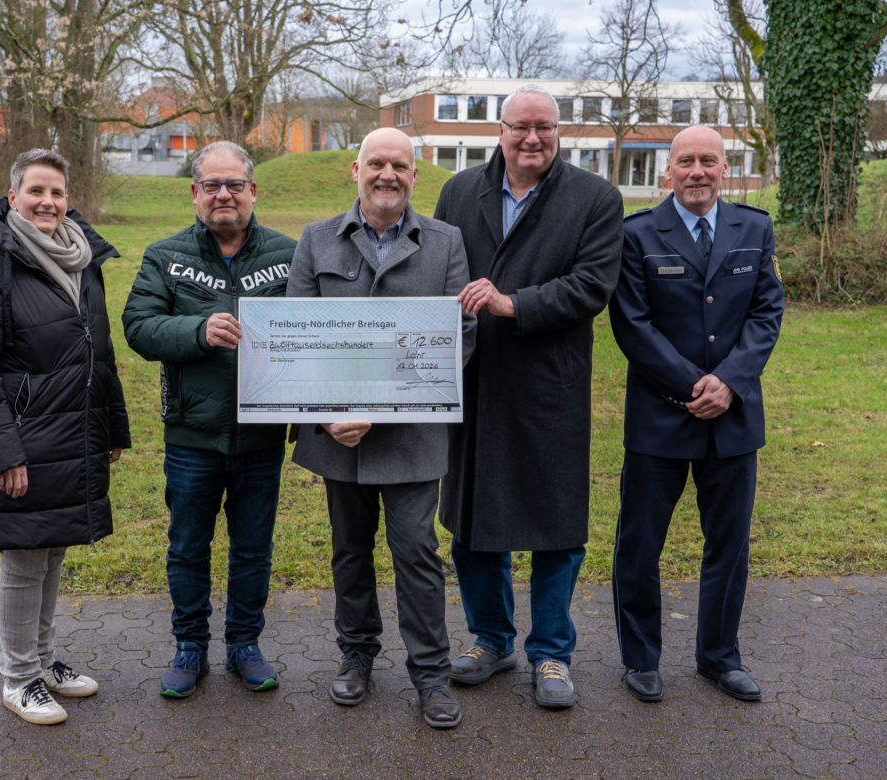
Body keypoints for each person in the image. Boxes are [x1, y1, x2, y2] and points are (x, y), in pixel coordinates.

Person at [433, 84, 624, 709]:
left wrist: (514, 303)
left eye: (545, 127)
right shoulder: (460, 191)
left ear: (559, 131)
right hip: (472, 380)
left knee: (554, 524)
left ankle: (551, 653)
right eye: (521, 126)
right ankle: (491, 639)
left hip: (550, 384)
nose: (533, 138)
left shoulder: (595, 198)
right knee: (471, 521)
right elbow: (436, 274)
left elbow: (592, 285)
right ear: (500, 130)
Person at [286, 127, 476, 729]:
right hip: (338, 436)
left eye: (399, 164)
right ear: (355, 170)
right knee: (349, 552)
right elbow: (293, 339)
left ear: (415, 175)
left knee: (417, 552)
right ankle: (357, 656)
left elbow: (459, 338)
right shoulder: (317, 240)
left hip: (414, 436)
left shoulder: (446, 242)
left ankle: (431, 674)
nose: (387, 174)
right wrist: (328, 414)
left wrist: (382, 408)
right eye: (377, 164)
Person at [0, 149, 132, 725]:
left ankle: (45, 661)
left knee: (51, 550)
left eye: (56, 193)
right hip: (22, 438)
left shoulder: (82, 257)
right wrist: (3, 450)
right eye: (36, 192)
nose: (48, 203)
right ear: (12, 199)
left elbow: (100, 355)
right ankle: (18, 677)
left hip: (73, 432)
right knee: (25, 558)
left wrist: (114, 425)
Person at [609, 125, 784, 703]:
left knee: (729, 548)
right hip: (660, 416)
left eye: (709, 161)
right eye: (685, 162)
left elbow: (766, 314)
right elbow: (631, 324)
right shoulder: (636, 234)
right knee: (639, 545)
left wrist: (729, 383)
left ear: (725, 169)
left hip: (733, 418)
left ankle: (719, 657)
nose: (697, 172)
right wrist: (692, 385)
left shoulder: (754, 228)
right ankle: (640, 659)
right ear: (668, 172)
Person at [122, 141, 297, 698]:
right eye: (213, 185)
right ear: (195, 192)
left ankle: (245, 643)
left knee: (253, 547)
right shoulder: (164, 255)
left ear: (253, 191)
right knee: (188, 546)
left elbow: (316, 329)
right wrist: (197, 332)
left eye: (236, 185)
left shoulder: (290, 255)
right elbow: (138, 327)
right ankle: (189, 646)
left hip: (262, 434)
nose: (225, 195)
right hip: (192, 435)